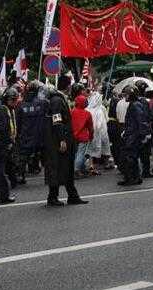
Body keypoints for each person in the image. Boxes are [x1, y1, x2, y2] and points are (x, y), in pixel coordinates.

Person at [43, 75, 89, 206]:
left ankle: (72, 196)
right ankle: (53, 197)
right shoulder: (57, 100)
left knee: (67, 168)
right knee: (57, 168)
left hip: (64, 138)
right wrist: (62, 139)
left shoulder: (59, 99)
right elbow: (56, 120)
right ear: (68, 86)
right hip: (58, 140)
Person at [118, 85, 150, 186]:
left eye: (126, 94)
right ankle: (134, 177)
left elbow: (141, 120)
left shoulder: (135, 105)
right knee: (131, 157)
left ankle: (132, 178)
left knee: (129, 157)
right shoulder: (134, 104)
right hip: (131, 134)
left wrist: (144, 135)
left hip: (133, 136)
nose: (125, 97)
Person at [17, 81, 47, 183]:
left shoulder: (21, 105)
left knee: (23, 156)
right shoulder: (43, 103)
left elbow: (18, 122)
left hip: (26, 135)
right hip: (40, 135)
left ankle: (20, 175)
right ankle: (48, 176)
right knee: (45, 157)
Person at [86, 91, 111, 173]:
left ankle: (91, 165)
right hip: (101, 131)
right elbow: (105, 120)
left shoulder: (87, 109)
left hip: (91, 131)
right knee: (105, 146)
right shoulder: (101, 109)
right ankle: (106, 163)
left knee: (91, 148)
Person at [135, 80, 153, 178]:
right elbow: (147, 116)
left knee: (137, 152)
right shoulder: (144, 101)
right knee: (145, 153)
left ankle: (137, 172)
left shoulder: (132, 101)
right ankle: (145, 171)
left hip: (135, 130)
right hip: (143, 129)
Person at [71, 94, 94, 177]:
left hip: (73, 136)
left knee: (76, 154)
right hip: (83, 136)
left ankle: (80, 168)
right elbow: (90, 127)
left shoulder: (72, 112)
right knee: (81, 154)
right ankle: (76, 170)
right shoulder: (87, 114)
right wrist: (91, 136)